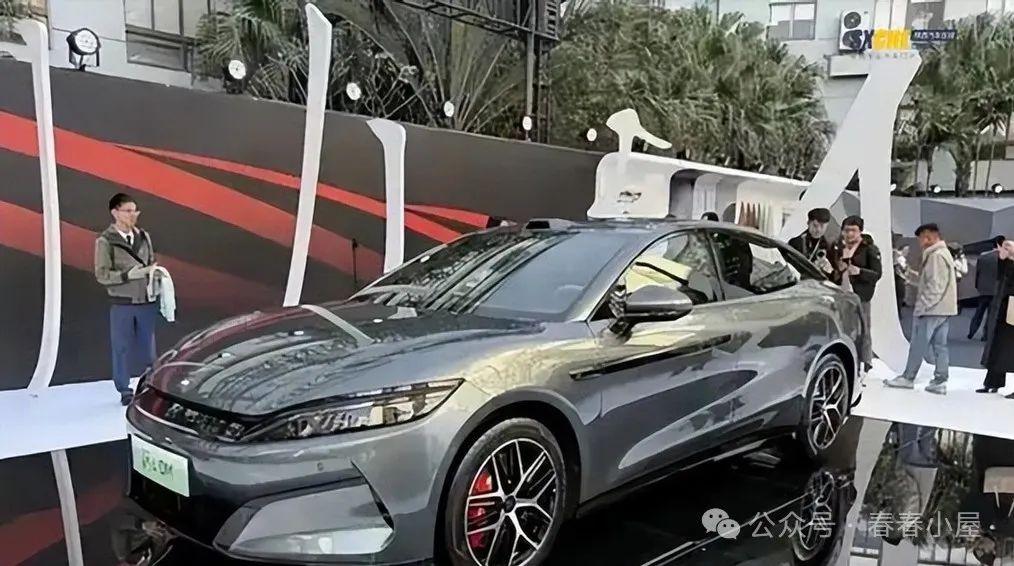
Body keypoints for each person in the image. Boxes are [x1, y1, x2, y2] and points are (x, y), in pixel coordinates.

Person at [94, 193, 159, 405]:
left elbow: (151, 261)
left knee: (149, 349)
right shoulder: (105, 241)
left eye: (135, 211)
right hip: (122, 303)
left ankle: (152, 386)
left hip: (146, 300)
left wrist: (155, 276)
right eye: (128, 211)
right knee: (121, 348)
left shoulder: (144, 237)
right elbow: (102, 274)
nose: (133, 215)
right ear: (115, 212)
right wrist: (126, 276)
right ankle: (124, 390)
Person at [885, 223, 958, 394]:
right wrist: (909, 275)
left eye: (920, 239)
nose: (920, 243)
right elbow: (930, 281)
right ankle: (940, 380)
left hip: (931, 310)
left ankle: (908, 377)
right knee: (940, 346)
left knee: (918, 344)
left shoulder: (936, 256)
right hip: (943, 309)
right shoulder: (943, 253)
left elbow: (935, 286)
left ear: (928, 236)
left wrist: (923, 307)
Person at [831, 216, 882, 373]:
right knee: (841, 329)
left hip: (861, 296)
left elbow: (877, 274)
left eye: (853, 230)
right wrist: (837, 271)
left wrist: (860, 271)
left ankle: (865, 363)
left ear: (860, 231)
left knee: (863, 330)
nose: (849, 234)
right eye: (846, 230)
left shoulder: (869, 249)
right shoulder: (837, 248)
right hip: (841, 294)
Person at [977, 238, 1014, 397]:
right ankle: (992, 382)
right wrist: (1004, 258)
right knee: (997, 346)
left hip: (1010, 308)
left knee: (1007, 347)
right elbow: (1001, 277)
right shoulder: (1005, 263)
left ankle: (993, 383)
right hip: (1003, 308)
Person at [969, 236, 1006, 341]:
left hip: (984, 289)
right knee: (991, 315)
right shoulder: (1004, 258)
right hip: (996, 290)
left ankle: (972, 331)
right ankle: (985, 335)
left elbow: (978, 273)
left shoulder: (983, 257)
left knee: (979, 312)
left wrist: (977, 285)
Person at [787, 207, 835, 276]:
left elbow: (833, 275)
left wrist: (829, 270)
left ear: (827, 226)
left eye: (822, 226)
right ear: (808, 223)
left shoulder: (829, 246)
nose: (818, 230)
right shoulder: (795, 243)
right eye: (815, 225)